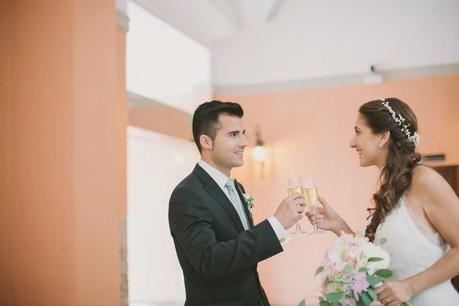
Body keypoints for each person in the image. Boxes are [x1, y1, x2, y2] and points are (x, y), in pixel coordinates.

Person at [307, 98, 459, 306]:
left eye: (358, 131)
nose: (351, 142)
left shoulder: (425, 180)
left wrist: (409, 287)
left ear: (383, 137)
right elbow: (380, 261)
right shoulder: (390, 187)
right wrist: (339, 225)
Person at [169, 100, 305, 306]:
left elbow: (242, 258)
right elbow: (210, 262)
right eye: (233, 135)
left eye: (243, 132)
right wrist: (276, 225)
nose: (244, 142)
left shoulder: (237, 188)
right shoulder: (188, 194)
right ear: (206, 141)